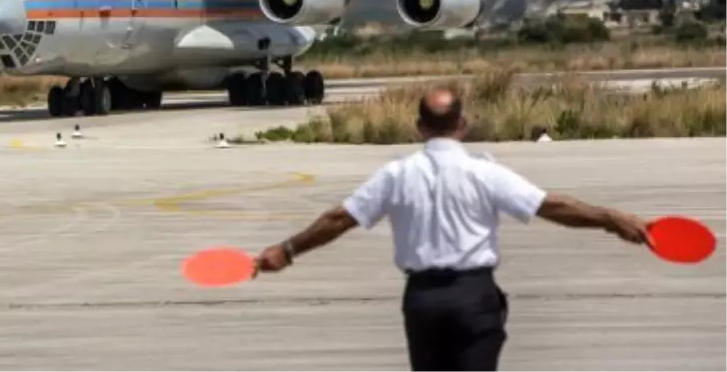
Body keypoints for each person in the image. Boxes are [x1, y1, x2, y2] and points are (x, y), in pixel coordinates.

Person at [253, 87, 650, 372]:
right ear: (462, 124)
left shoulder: (397, 174)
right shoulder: (483, 172)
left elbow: (339, 218)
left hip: (423, 300)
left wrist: (287, 250)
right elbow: (551, 205)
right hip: (473, 296)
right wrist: (610, 219)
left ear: (419, 128)